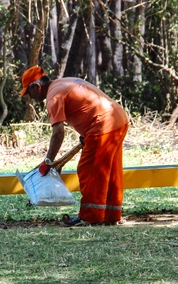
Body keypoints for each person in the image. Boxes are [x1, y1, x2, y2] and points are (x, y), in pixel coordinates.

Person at [21, 66, 129, 226]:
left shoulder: (53, 97)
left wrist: (48, 161)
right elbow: (87, 106)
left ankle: (90, 216)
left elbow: (58, 133)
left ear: (37, 87)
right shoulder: (63, 83)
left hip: (102, 125)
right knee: (111, 170)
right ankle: (111, 215)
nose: (30, 98)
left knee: (88, 170)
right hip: (118, 119)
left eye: (29, 93)